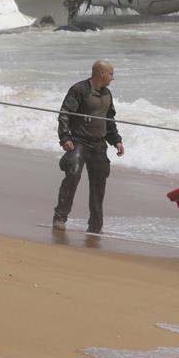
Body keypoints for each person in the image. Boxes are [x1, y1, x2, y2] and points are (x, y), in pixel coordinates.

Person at [54, 59, 125, 234]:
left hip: (99, 144)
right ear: (102, 74)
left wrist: (116, 140)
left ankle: (95, 226)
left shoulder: (107, 94)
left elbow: (109, 121)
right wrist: (65, 138)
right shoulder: (79, 90)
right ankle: (60, 217)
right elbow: (64, 115)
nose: (113, 77)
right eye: (111, 73)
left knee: (99, 183)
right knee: (73, 174)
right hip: (79, 142)